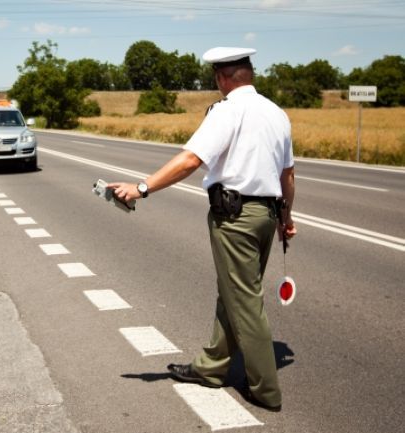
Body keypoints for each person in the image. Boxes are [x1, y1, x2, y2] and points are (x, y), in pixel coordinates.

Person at [108, 46, 297, 412]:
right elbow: (288, 174)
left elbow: (191, 159)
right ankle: (211, 367)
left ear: (221, 78)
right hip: (266, 215)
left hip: (235, 219)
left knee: (245, 301)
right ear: (249, 74)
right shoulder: (277, 113)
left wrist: (141, 188)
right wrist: (286, 219)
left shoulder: (227, 112)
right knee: (234, 292)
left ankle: (266, 390)